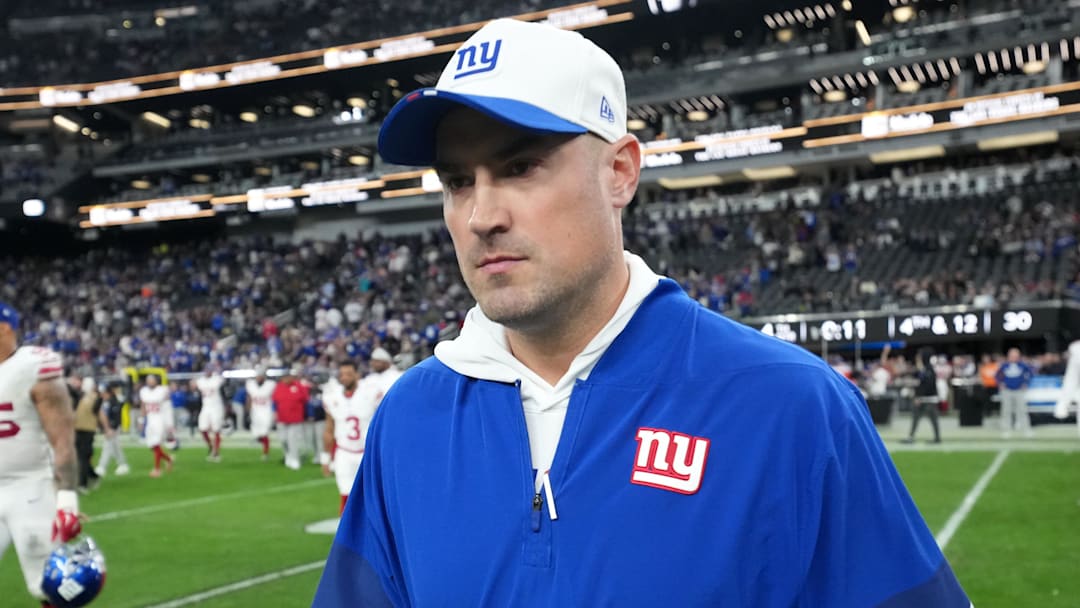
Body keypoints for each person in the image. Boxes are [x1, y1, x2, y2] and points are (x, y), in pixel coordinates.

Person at [313, 19, 970, 607]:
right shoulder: (409, 416)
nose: (482, 216)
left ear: (621, 172)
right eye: (458, 182)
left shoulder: (789, 406)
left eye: (520, 166)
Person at [0, 302, 83, 605]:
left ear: (4, 328)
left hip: (30, 487)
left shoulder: (33, 366)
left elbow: (63, 439)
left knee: (54, 587)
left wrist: (67, 502)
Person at [321, 361, 376, 515]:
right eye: (342, 374)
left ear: (357, 375)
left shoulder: (371, 394)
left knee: (373, 497)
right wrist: (325, 457)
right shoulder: (332, 397)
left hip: (367, 452)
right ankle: (346, 537)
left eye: (349, 374)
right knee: (345, 494)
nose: (344, 378)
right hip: (344, 452)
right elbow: (329, 429)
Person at [273, 366, 311, 470]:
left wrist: (307, 415)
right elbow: (274, 401)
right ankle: (288, 456)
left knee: (293, 439)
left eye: (287, 376)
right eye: (284, 377)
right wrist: (274, 412)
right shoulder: (279, 387)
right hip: (282, 418)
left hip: (295, 418)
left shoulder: (299, 386)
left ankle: (295, 459)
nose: (285, 379)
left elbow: (306, 402)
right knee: (283, 439)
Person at [902, 349, 942, 444]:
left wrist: (918, 397)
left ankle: (935, 438)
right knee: (921, 418)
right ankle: (912, 437)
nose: (917, 359)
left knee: (930, 418)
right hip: (927, 399)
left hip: (928, 399)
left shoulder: (928, 369)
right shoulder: (925, 369)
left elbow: (927, 385)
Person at [139, 374, 175, 477]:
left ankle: (157, 469)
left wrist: (169, 424)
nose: (149, 382)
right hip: (150, 419)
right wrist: (141, 420)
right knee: (152, 445)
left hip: (160, 419)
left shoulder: (162, 390)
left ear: (156, 381)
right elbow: (143, 405)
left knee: (156, 443)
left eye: (151, 380)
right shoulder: (144, 391)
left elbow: (168, 405)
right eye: (148, 380)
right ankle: (168, 459)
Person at [995, 347, 1034, 438]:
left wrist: (1025, 383)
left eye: (1015, 356)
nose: (1013, 358)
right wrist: (1000, 384)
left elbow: (1030, 374)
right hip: (1007, 391)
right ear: (1008, 356)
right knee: (1006, 411)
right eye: (1012, 356)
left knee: (1022, 410)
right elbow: (997, 376)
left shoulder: (1023, 365)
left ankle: (1026, 430)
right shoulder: (1004, 365)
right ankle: (1006, 430)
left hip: (1019, 390)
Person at [73, 376, 102, 492]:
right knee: (78, 456)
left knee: (84, 456)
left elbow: (96, 411)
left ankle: (83, 483)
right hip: (77, 428)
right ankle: (93, 476)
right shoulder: (79, 396)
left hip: (88, 429)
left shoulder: (96, 398)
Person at [95, 382, 130, 476]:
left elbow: (113, 416)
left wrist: (109, 429)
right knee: (115, 447)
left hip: (113, 427)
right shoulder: (106, 401)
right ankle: (123, 464)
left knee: (107, 447)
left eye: (104, 393)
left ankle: (102, 466)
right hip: (110, 427)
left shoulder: (113, 402)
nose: (102, 395)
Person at [194, 367, 226, 462]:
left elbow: (222, 380)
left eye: (209, 370)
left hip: (216, 406)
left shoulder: (216, 379)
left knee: (216, 430)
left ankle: (216, 453)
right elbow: (194, 385)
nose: (207, 371)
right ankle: (211, 446)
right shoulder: (201, 381)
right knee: (202, 428)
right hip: (205, 407)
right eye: (206, 370)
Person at [246, 369, 276, 461]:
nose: (258, 378)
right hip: (255, 411)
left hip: (266, 410)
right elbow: (250, 397)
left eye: (260, 376)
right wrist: (247, 410)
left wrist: (275, 411)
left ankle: (265, 453)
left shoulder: (270, 384)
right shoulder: (251, 384)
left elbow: (275, 398)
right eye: (257, 376)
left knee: (265, 432)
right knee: (257, 433)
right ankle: (262, 446)